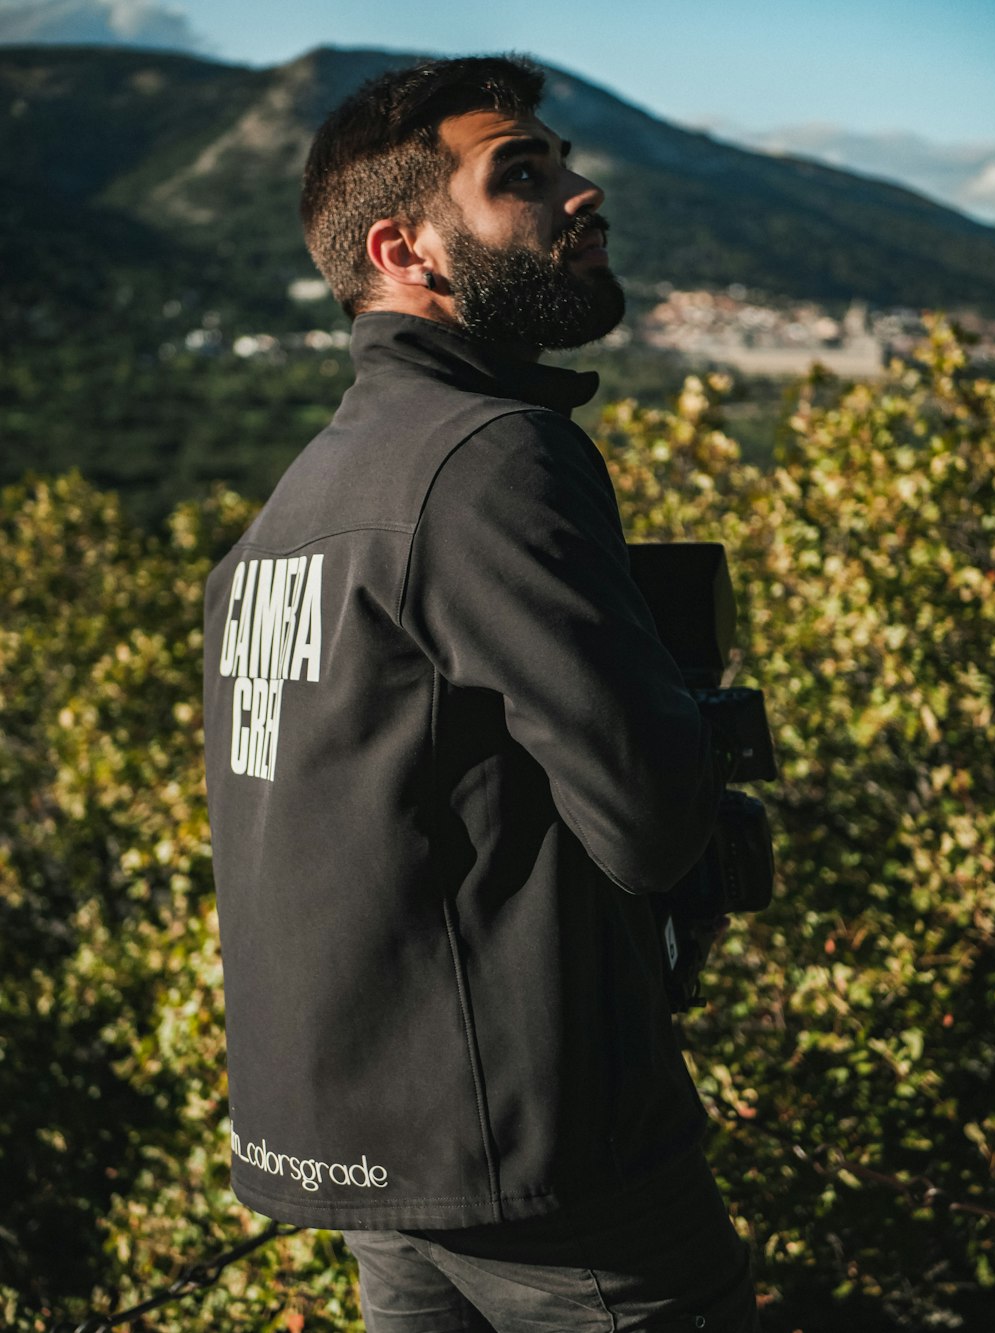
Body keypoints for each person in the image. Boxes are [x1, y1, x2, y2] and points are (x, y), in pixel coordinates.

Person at [202, 55, 761, 1332]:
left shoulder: (284, 519)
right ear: (406, 248)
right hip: (556, 1172)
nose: (581, 189)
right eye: (522, 173)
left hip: (370, 1165)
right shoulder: (494, 455)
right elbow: (650, 817)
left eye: (560, 159)